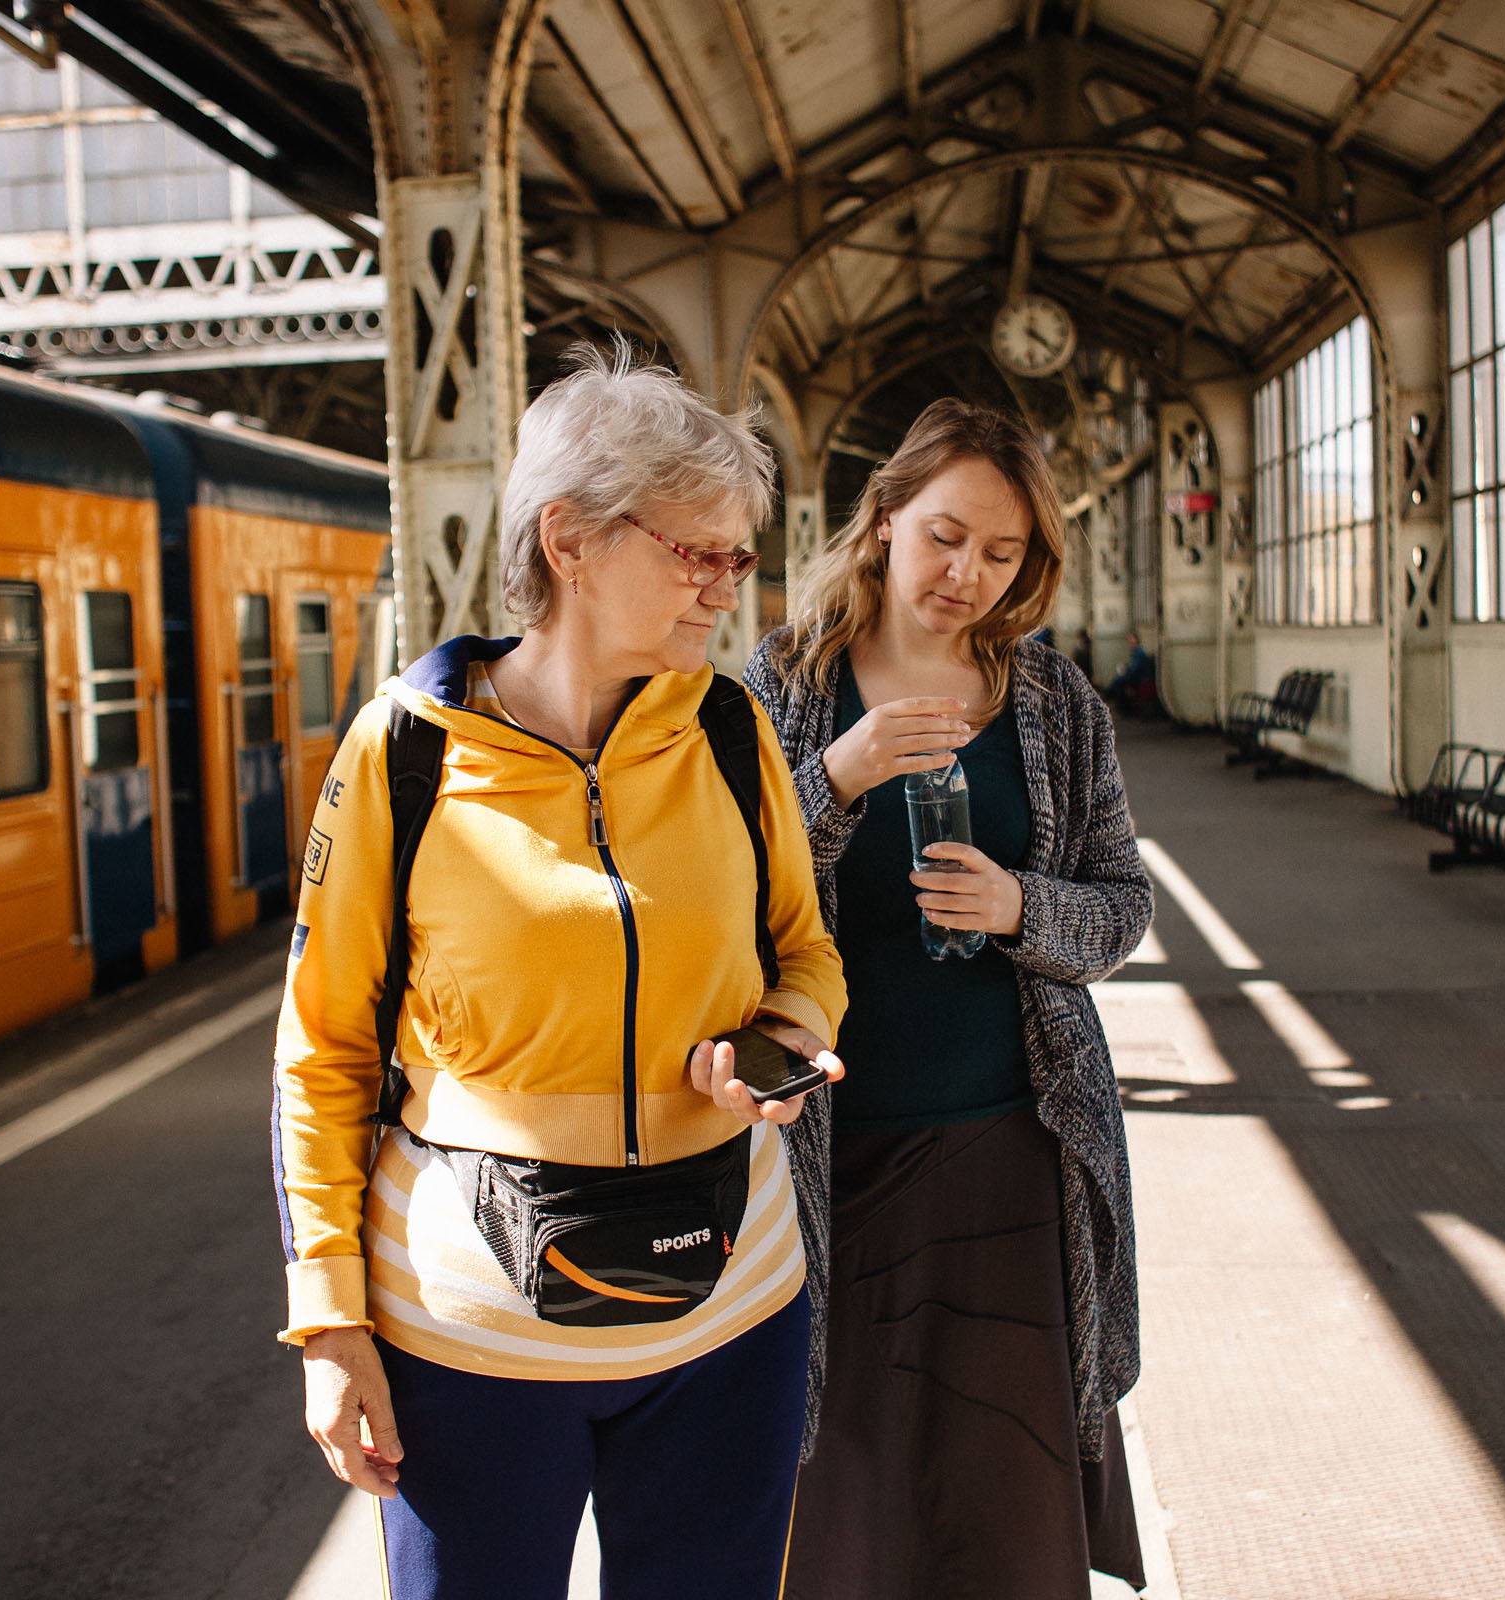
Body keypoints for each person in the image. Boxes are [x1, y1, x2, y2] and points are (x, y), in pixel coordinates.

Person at [273, 346, 848, 1600]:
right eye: (694, 552)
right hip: (469, 1345)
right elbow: (321, 1051)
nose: (724, 590)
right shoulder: (405, 757)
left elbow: (805, 949)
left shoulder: (734, 732)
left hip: (729, 1320)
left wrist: (786, 1039)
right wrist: (329, 1323)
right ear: (570, 540)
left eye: (737, 556)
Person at [745, 398, 1152, 1600]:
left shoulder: (1054, 702)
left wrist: (1023, 907)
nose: (967, 572)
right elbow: (727, 892)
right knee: (846, 1500)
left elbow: (1122, 905)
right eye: (945, 535)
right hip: (832, 1160)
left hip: (1012, 1152)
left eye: (1002, 551)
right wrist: (838, 776)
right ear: (883, 522)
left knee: (1001, 1495)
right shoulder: (790, 679)